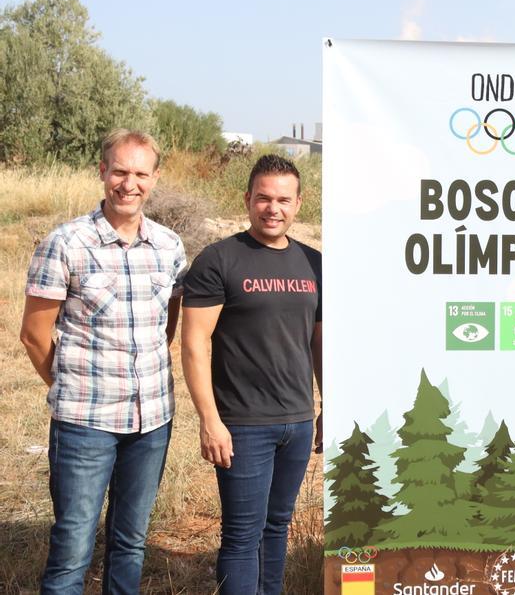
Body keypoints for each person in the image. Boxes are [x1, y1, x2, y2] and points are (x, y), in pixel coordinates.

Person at [20, 129, 187, 594]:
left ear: (154, 178)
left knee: (131, 543)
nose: (128, 183)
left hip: (152, 420)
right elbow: (34, 335)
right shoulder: (66, 243)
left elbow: (166, 326)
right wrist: (72, 384)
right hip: (85, 422)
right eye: (119, 171)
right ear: (102, 172)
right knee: (73, 548)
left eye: (139, 173)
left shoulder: (170, 247)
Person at [181, 154, 322, 595]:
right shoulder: (220, 259)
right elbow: (193, 344)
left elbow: (320, 342)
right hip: (241, 424)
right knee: (242, 534)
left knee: (277, 524)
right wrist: (210, 419)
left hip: (297, 421)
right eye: (263, 198)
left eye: (283, 199)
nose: (273, 208)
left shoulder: (315, 263)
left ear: (299, 203)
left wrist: (328, 403)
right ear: (247, 200)